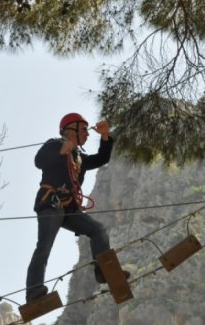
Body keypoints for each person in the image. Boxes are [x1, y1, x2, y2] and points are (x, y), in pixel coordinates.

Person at [25, 113, 128, 302]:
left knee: (98, 230)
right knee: (44, 246)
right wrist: (62, 150)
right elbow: (39, 161)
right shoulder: (54, 144)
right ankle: (33, 292)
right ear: (69, 130)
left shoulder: (80, 158)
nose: (87, 134)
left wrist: (105, 136)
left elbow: (102, 158)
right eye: (83, 130)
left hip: (69, 207)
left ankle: (104, 271)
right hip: (51, 202)